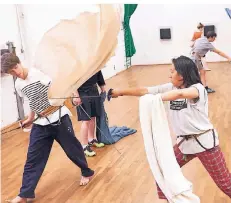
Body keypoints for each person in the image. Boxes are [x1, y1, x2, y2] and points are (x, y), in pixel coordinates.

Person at [109, 56, 231, 201]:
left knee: (226, 184)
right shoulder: (170, 87)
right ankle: (168, 199)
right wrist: (119, 92)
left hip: (205, 144)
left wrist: (157, 98)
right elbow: (145, 90)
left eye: (172, 71)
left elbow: (180, 94)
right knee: (162, 170)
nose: (169, 74)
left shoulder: (198, 89)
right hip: (185, 145)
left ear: (182, 74)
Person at [1, 53, 94, 203]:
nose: (16, 72)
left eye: (16, 67)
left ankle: (87, 171)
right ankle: (25, 193)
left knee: (72, 149)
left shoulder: (39, 73)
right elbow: (32, 102)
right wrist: (30, 119)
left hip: (59, 118)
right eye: (11, 72)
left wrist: (74, 95)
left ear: (19, 62)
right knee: (33, 158)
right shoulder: (19, 84)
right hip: (40, 124)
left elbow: (61, 86)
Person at [73, 71, 106, 157]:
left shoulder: (95, 62)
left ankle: (91, 139)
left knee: (93, 117)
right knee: (86, 120)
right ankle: (84, 146)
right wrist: (76, 95)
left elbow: (99, 75)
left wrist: (103, 89)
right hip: (82, 93)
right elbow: (72, 81)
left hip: (93, 90)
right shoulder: (78, 64)